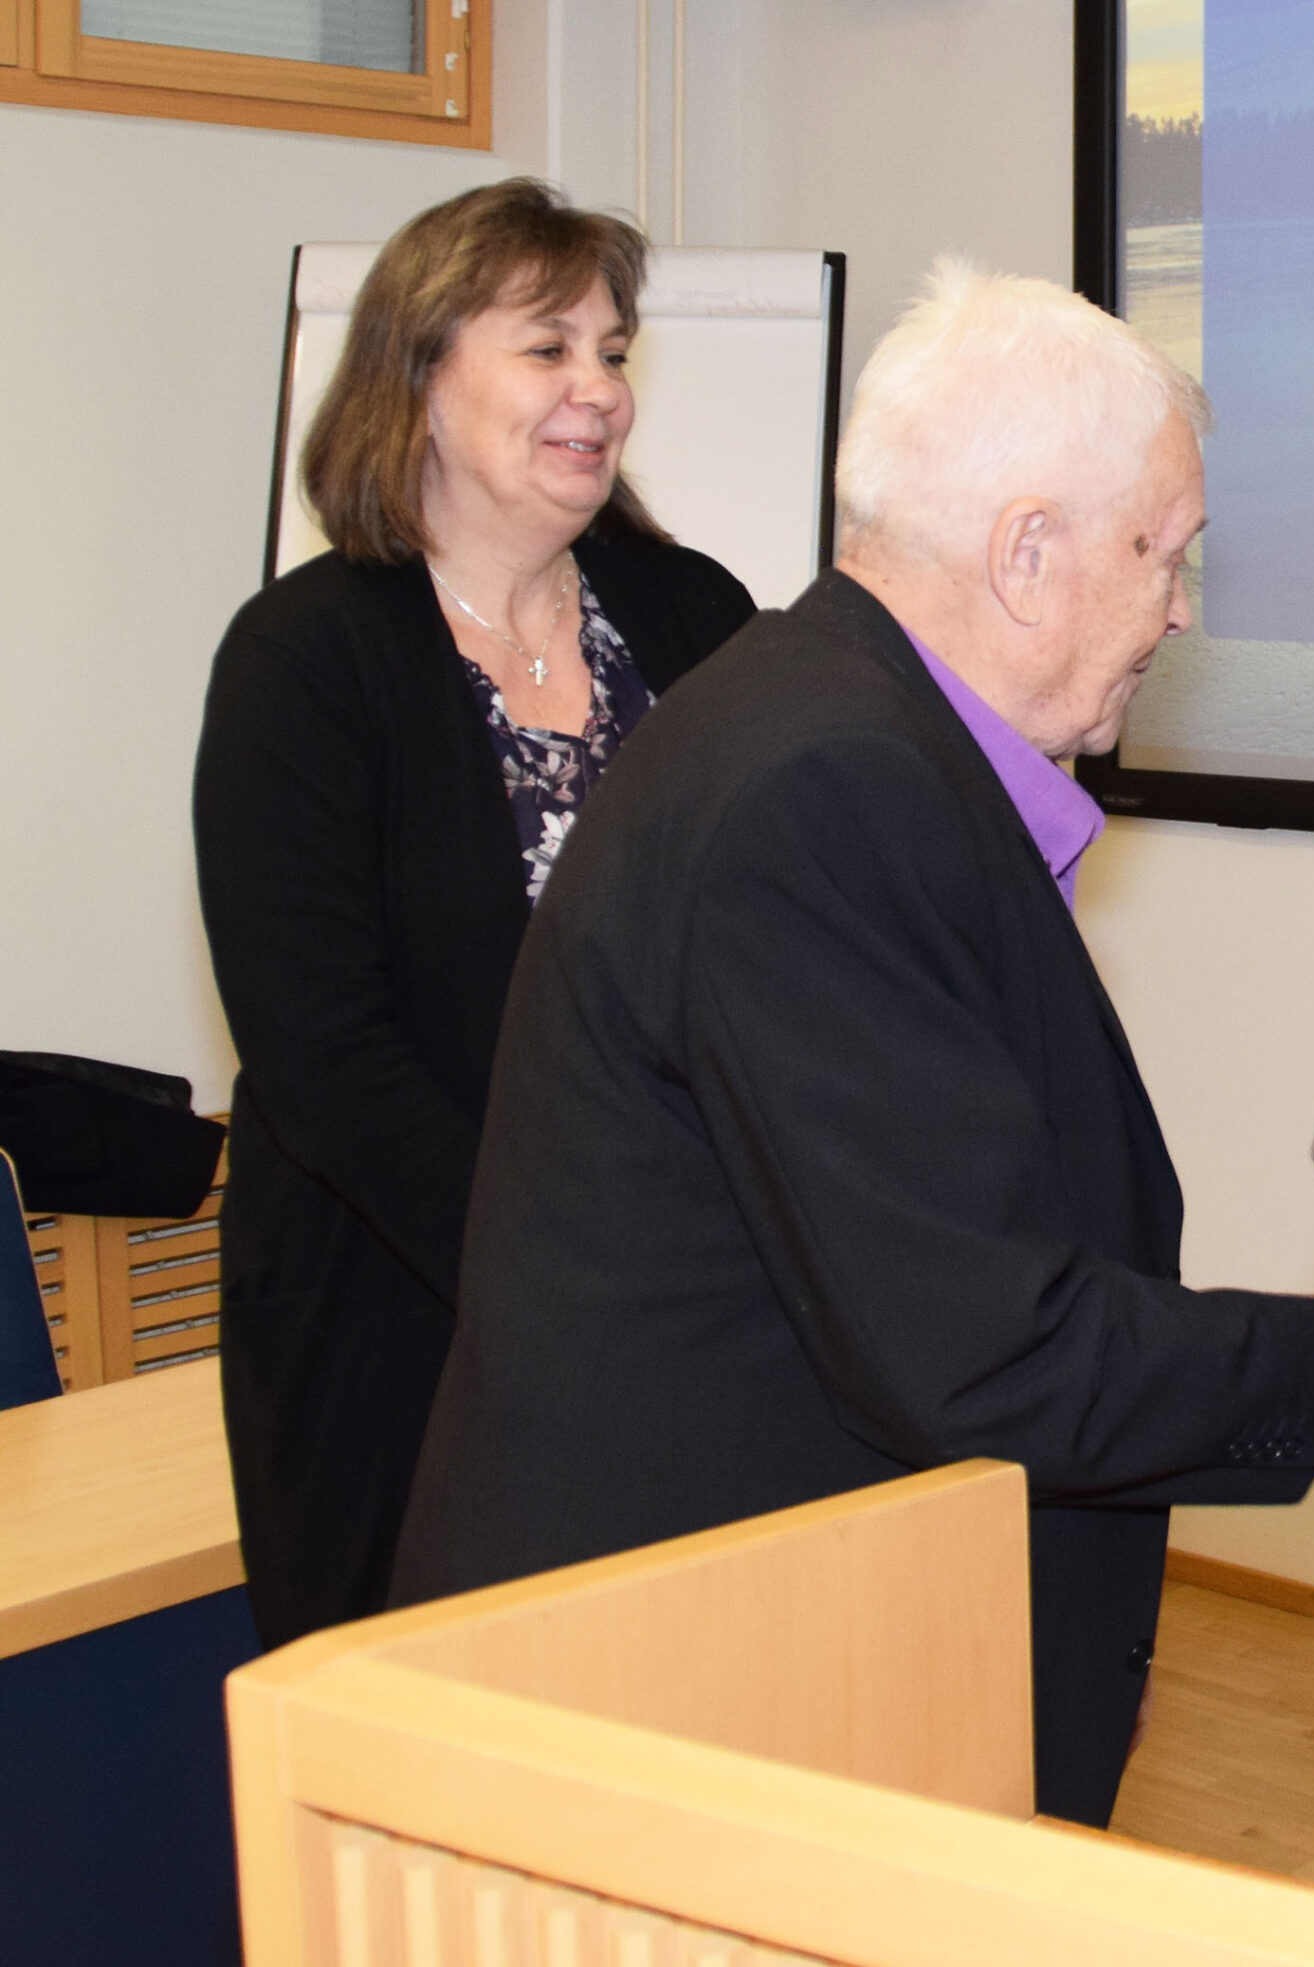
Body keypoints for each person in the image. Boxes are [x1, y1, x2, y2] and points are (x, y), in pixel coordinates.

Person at [390, 261, 1314, 1828]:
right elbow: (983, 1348)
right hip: (691, 1718)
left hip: (777, 1660)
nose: (1182, 606)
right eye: (1167, 551)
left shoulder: (840, 732)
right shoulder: (827, 789)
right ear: (1028, 552)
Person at [193, 181, 757, 1651]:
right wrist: (560, 1275)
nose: (599, 388)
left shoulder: (695, 615)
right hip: (408, 1332)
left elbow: (791, 938)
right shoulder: (304, 661)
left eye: (613, 352)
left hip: (694, 1317)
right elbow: (329, 1062)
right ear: (421, 377)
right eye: (548, 347)